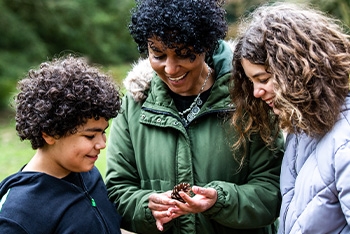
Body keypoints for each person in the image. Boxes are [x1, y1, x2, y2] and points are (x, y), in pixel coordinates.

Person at [105, 0, 284, 233]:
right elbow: (117, 191)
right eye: (158, 54)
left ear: (205, 45)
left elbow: (273, 191)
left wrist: (220, 200)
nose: (170, 68)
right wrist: (146, 208)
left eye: (183, 54)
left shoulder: (249, 97)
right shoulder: (134, 105)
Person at [230, 2, 350, 233]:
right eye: (251, 82)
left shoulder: (343, 140)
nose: (256, 92)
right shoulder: (302, 132)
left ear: (297, 69)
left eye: (263, 79)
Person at [0, 55, 122, 234]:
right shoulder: (17, 214)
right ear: (50, 134)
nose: (102, 144)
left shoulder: (89, 174)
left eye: (103, 132)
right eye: (90, 136)